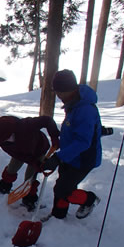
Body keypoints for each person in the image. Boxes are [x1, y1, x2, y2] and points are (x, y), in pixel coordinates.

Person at [41, 69, 102, 220]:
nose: (58, 96)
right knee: (62, 185)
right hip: (69, 155)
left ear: (70, 89)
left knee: (63, 189)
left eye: (60, 92)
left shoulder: (85, 109)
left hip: (83, 158)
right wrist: (59, 144)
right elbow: (74, 130)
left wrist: (58, 158)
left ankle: (89, 199)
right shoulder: (73, 103)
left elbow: (83, 142)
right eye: (57, 92)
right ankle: (58, 216)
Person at [0, 115, 60, 211]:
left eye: (7, 138)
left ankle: (29, 200)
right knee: (11, 169)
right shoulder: (3, 142)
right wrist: (32, 162)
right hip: (20, 153)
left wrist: (54, 136)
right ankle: (4, 187)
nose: (5, 141)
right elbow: (18, 155)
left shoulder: (25, 125)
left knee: (29, 178)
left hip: (38, 149)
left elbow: (47, 120)